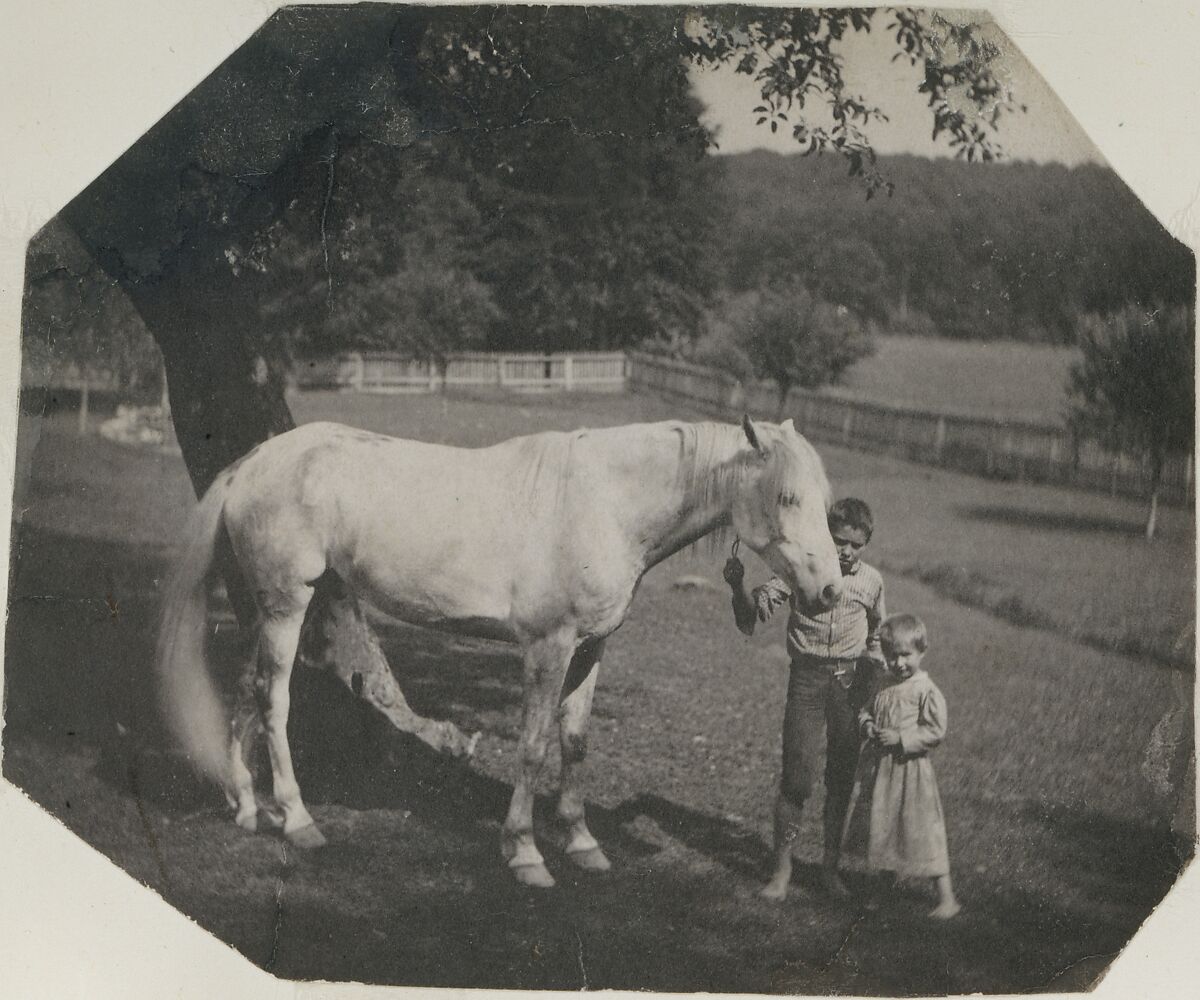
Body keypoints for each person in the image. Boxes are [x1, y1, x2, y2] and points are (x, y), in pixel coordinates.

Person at [723, 497, 885, 901]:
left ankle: (830, 869)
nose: (846, 551)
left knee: (841, 778)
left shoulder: (872, 582)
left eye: (855, 545)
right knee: (797, 777)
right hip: (807, 681)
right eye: (838, 541)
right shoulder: (800, 573)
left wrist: (875, 683)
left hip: (850, 684)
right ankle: (782, 869)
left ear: (866, 544)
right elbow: (753, 613)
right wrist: (737, 584)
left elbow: (879, 633)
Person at [843, 613, 960, 919]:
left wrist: (901, 738)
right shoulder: (883, 682)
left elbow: (935, 731)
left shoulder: (925, 689)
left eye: (906, 655)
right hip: (882, 771)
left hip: (911, 771)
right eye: (892, 656)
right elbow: (867, 710)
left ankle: (946, 898)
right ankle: (884, 891)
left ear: (922, 652)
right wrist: (867, 725)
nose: (898, 663)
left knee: (923, 830)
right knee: (884, 827)